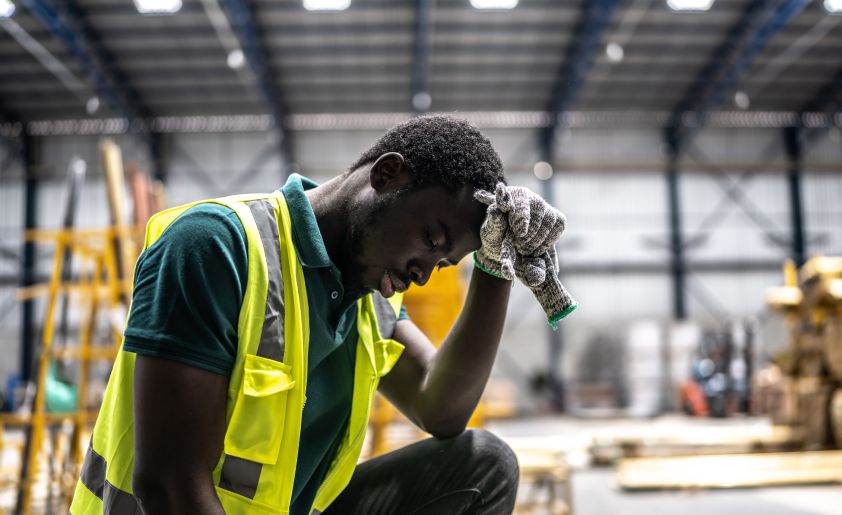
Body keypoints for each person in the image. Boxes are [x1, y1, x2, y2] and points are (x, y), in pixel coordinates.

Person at [70, 115, 575, 514]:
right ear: (386, 175)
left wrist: (495, 268)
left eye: (442, 266)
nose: (424, 275)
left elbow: (441, 409)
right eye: (432, 240)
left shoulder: (369, 295)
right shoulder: (216, 246)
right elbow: (169, 488)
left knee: (483, 466)